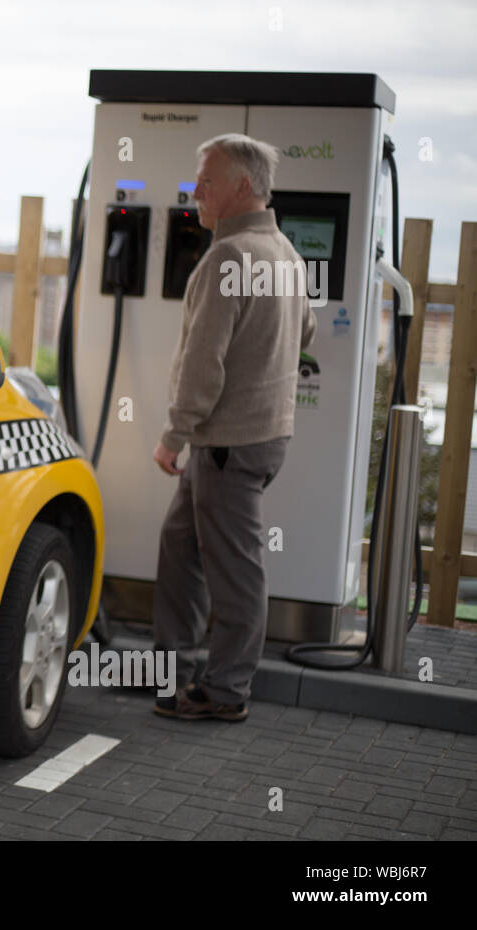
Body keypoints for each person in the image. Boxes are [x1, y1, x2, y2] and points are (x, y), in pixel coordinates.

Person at [150, 133, 317, 722]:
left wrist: (175, 434)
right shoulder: (286, 255)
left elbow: (203, 363)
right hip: (258, 439)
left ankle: (224, 692)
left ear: (243, 186)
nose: (195, 190)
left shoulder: (229, 257)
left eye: (206, 179)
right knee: (181, 546)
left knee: (234, 570)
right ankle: (169, 669)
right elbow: (307, 334)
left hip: (227, 443)